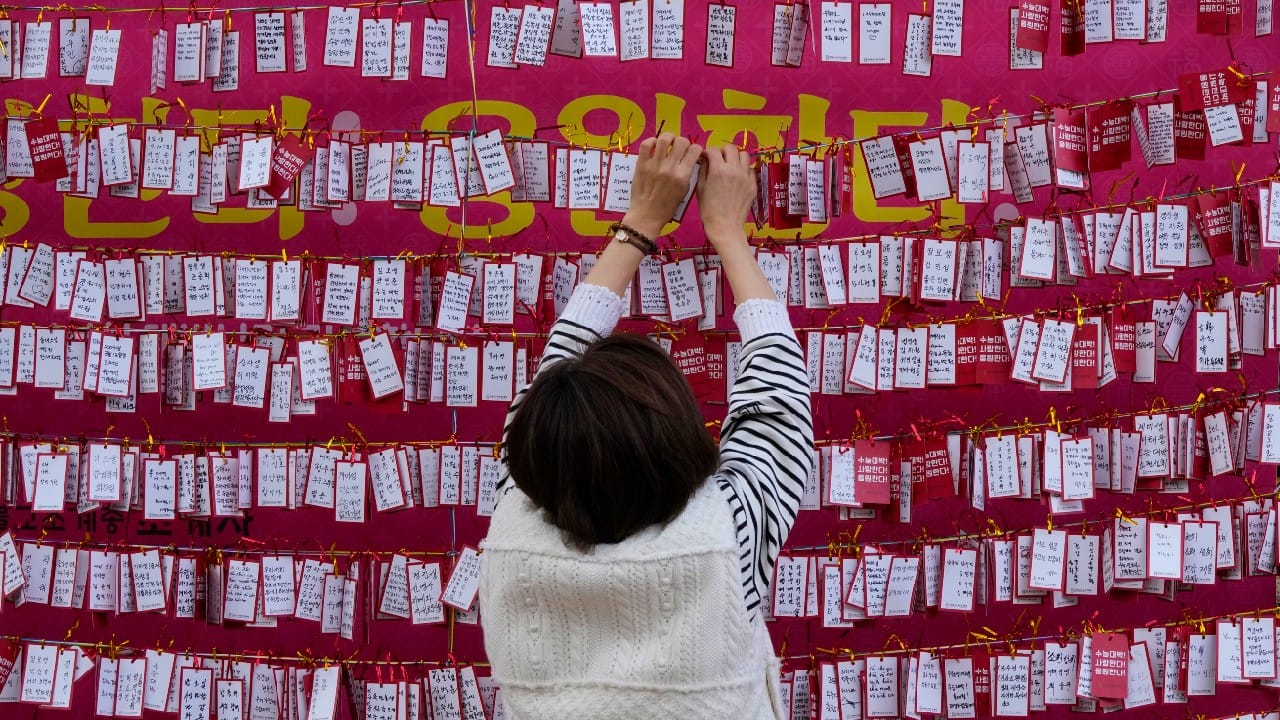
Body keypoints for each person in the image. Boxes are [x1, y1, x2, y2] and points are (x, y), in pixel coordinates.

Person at [480, 133, 814, 720]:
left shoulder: (514, 524)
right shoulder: (728, 536)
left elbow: (555, 377)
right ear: (682, 441)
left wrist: (640, 221)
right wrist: (729, 235)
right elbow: (777, 402)